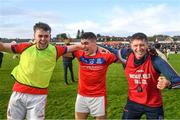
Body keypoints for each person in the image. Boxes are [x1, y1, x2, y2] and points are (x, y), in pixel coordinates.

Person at [0, 22, 84, 120]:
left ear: (50, 37)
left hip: (39, 97)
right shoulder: (25, 47)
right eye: (40, 36)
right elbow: (2, 46)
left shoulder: (56, 50)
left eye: (46, 36)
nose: (43, 39)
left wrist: (99, 48)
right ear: (34, 36)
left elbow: (77, 46)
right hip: (19, 93)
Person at [99, 32, 180, 119]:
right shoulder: (125, 55)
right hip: (133, 102)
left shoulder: (155, 60)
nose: (139, 48)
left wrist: (168, 84)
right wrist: (85, 44)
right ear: (131, 46)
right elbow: (106, 49)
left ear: (147, 45)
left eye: (142, 45)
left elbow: (178, 81)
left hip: (153, 104)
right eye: (135, 45)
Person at [73, 32, 117, 119]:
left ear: (94, 43)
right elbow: (65, 50)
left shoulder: (106, 56)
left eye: (86, 43)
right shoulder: (79, 53)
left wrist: (102, 48)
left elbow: (121, 58)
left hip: (99, 96)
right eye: (82, 44)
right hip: (81, 95)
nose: (83, 46)